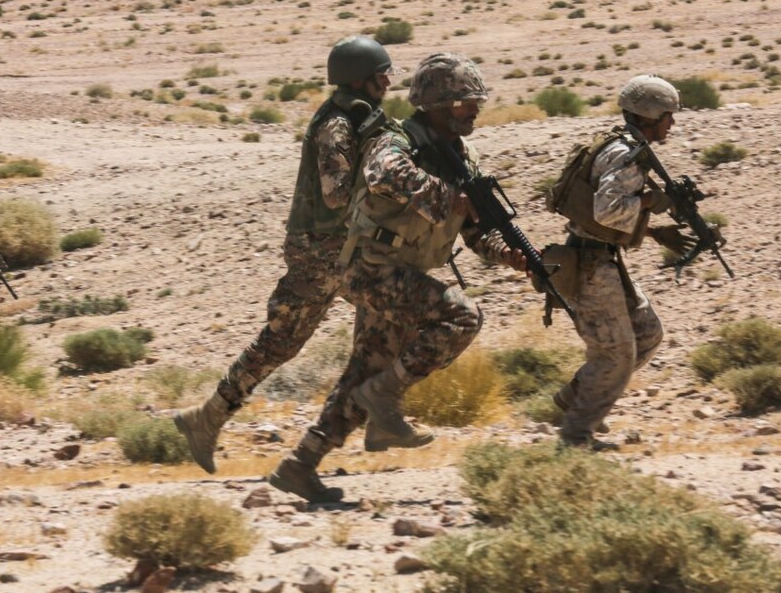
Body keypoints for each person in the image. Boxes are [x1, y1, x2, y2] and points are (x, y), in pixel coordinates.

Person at [268, 53, 527, 503]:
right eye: (466, 102)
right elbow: (384, 174)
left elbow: (475, 231)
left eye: (475, 102)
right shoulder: (397, 139)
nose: (475, 110)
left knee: (363, 373)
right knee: (461, 318)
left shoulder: (463, 155)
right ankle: (383, 400)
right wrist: (449, 197)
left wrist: (510, 254)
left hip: (399, 271)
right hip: (371, 268)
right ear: (438, 103)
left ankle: (301, 463)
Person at [174, 36, 398, 474]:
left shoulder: (358, 116)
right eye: (382, 74)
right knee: (288, 341)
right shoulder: (337, 124)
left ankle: (375, 417)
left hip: (338, 247)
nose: (389, 82)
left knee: (378, 323)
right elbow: (335, 194)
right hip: (323, 251)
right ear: (361, 79)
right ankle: (207, 420)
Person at [545, 75, 695, 451]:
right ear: (650, 115)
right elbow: (608, 210)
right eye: (667, 116)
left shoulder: (622, 145)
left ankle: (576, 401)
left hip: (603, 259)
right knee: (614, 354)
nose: (671, 124)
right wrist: (648, 203)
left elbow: (603, 217)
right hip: (591, 265)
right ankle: (576, 437)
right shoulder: (626, 154)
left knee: (646, 335)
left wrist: (655, 231)